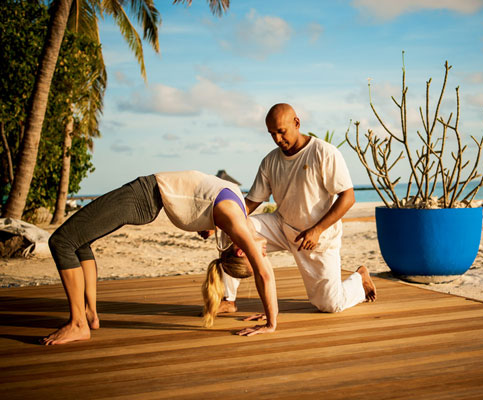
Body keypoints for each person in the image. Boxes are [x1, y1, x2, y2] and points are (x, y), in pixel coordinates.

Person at [42, 171, 278, 345]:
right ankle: (89, 315)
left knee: (62, 242)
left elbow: (263, 273)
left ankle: (78, 324)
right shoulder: (236, 220)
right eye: (263, 254)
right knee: (81, 242)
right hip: (148, 196)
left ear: (241, 251)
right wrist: (269, 315)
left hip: (143, 194)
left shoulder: (235, 222)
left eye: (260, 254)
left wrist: (270, 324)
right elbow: (211, 206)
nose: (263, 253)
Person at [219, 103, 376, 317]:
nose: (276, 139)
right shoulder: (270, 161)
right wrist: (216, 221)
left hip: (316, 237)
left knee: (329, 304)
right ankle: (228, 299)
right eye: (271, 134)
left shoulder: (324, 152)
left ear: (297, 123)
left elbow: (348, 197)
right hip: (281, 226)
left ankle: (359, 278)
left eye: (281, 132)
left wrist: (317, 229)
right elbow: (249, 203)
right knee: (230, 226)